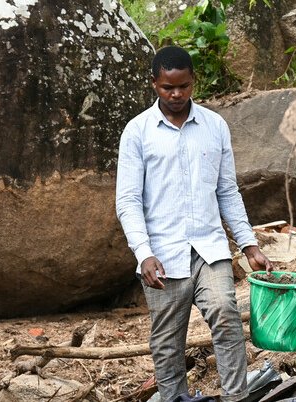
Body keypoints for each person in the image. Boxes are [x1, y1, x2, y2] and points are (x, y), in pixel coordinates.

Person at [115, 45, 274, 402]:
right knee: (167, 341)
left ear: (193, 82)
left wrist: (249, 245)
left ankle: (236, 397)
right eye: (167, 88)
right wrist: (144, 254)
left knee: (226, 315)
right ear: (154, 84)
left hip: (209, 247)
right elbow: (127, 200)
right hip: (162, 255)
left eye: (183, 86)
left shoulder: (214, 126)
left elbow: (227, 191)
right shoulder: (137, 132)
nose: (176, 94)